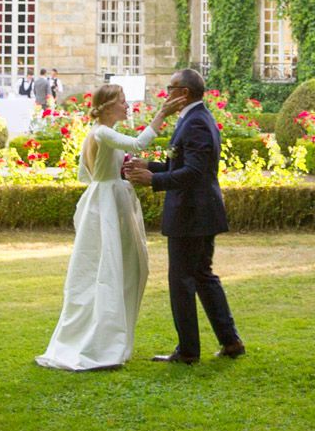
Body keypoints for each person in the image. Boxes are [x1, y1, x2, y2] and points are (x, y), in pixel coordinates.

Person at [36, 83, 187, 371]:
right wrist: (161, 115)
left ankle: (109, 336)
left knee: (121, 267)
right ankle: (100, 341)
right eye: (121, 102)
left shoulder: (98, 134)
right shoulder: (101, 131)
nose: (127, 106)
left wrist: (119, 172)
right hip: (107, 203)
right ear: (107, 107)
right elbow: (137, 144)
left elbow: (88, 173)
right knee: (108, 267)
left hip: (108, 198)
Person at [123, 68, 245, 364]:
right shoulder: (194, 119)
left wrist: (153, 181)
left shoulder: (197, 123)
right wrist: (151, 166)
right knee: (203, 276)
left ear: (184, 93)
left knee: (182, 281)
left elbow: (194, 173)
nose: (167, 93)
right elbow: (180, 163)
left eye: (170, 87)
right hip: (198, 213)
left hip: (192, 215)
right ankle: (231, 342)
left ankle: (188, 351)